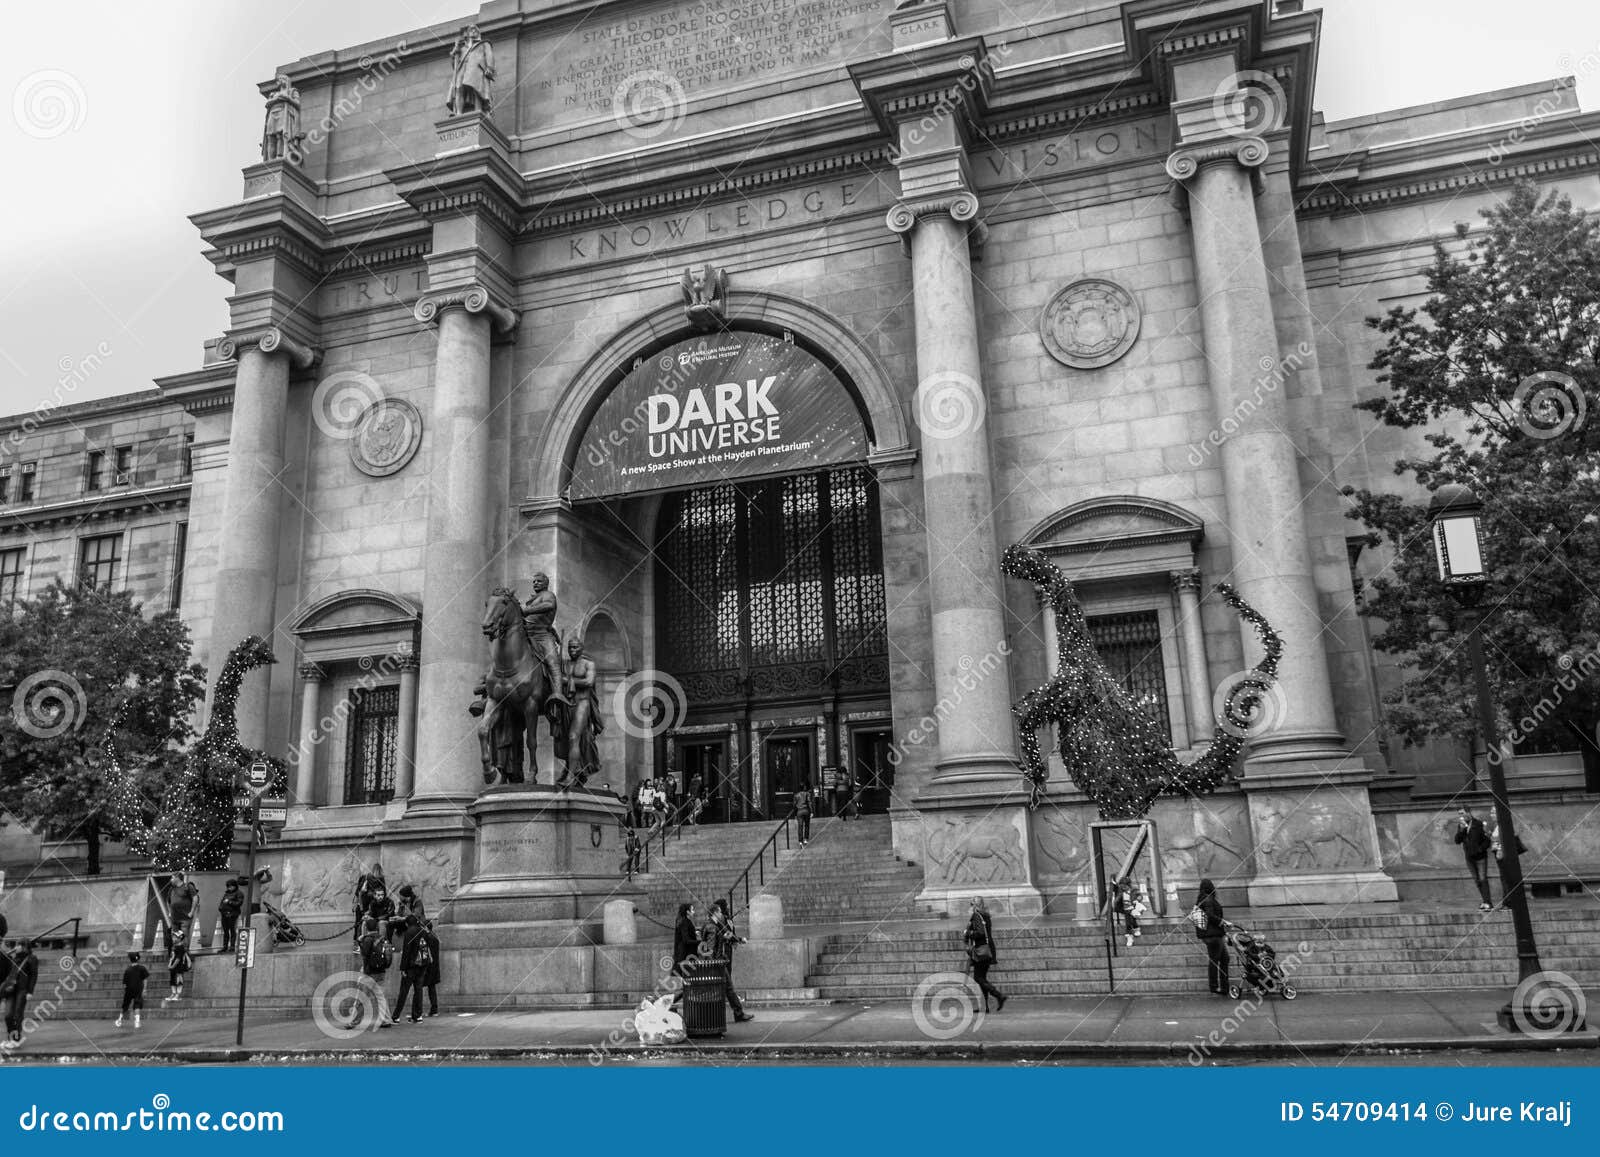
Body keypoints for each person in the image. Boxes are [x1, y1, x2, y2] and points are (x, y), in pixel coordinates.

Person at [703, 899, 755, 1023]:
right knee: (727, 989)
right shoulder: (712, 927)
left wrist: (726, 938)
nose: (721, 914)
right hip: (717, 964)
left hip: (717, 962)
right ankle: (738, 1013)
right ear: (715, 913)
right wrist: (714, 964)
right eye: (719, 912)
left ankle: (737, 1013)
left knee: (726, 989)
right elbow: (710, 948)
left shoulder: (712, 925)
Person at [963, 897, 1005, 1012]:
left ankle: (998, 995)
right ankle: (985, 1007)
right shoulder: (985, 916)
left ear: (976, 905)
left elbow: (980, 933)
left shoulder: (977, 916)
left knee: (978, 977)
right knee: (982, 978)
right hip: (988, 950)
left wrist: (968, 932)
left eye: (971, 905)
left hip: (981, 951)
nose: (970, 907)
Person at [357, 915, 395, 1028]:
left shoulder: (367, 940)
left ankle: (354, 1020)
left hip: (369, 973)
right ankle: (386, 1019)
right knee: (381, 998)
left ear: (367, 928)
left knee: (361, 998)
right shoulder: (382, 938)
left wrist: (360, 941)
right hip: (381, 972)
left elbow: (364, 955)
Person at [1454, 806, 1495, 910]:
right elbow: (1457, 841)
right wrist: (1462, 830)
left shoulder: (1478, 824)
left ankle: (1488, 903)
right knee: (1477, 880)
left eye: (1462, 813)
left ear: (1468, 812)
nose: (1461, 816)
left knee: (1482, 879)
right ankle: (1485, 901)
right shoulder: (1461, 826)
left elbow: (1487, 840)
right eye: (1459, 814)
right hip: (1469, 858)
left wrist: (1480, 849)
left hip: (1480, 857)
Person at [1192, 878, 1228, 996]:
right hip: (1213, 935)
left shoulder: (1203, 899)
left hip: (1211, 935)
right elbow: (1210, 915)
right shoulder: (1208, 899)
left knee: (1224, 959)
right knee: (1216, 960)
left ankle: (1223, 986)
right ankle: (1215, 986)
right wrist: (1222, 922)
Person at [1, 940, 39, 1043]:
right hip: (10, 990)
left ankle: (15, 1038)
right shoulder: (12, 958)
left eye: (18, 945)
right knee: (8, 1015)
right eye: (16, 945)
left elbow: (33, 976)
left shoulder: (31, 958)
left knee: (18, 1014)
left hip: (22, 990)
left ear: (24, 946)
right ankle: (11, 1035)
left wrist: (30, 991)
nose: (16, 947)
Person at [395, 916, 430, 1024]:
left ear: (407, 924)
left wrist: (403, 968)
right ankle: (417, 1015)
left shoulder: (409, 932)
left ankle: (396, 1016)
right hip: (422, 964)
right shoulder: (423, 931)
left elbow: (406, 952)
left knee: (404, 991)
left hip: (411, 966)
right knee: (418, 990)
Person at [1491, 820, 1529, 910]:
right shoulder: (1496, 826)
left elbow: (1508, 840)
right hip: (1499, 856)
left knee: (1507, 879)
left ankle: (1509, 902)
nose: (1491, 814)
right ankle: (1506, 902)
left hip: (1505, 856)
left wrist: (1499, 847)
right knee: (1503, 878)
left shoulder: (1504, 826)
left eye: (1493, 812)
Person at [670, 902, 700, 1007]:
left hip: (686, 955)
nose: (694, 911)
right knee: (688, 983)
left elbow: (685, 935)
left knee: (688, 983)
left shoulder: (684, 921)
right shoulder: (684, 922)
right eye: (692, 910)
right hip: (686, 956)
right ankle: (669, 1002)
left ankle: (673, 1002)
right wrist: (700, 941)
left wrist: (694, 933)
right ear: (687, 912)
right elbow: (686, 940)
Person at [353, 863, 385, 948]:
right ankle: (369, 944)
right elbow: (384, 892)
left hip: (366, 905)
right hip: (369, 905)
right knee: (366, 923)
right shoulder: (378, 879)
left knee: (361, 924)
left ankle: (359, 944)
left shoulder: (366, 877)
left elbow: (358, 892)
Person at [166, 872, 199, 948]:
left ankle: (184, 953)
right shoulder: (172, 889)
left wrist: (191, 912)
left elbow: (195, 898)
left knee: (184, 935)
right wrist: (169, 912)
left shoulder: (188, 887)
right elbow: (168, 901)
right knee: (175, 937)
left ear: (177, 878)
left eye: (172, 878)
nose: (171, 879)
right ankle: (177, 954)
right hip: (174, 918)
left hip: (185, 917)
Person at [117, 952, 149, 1029]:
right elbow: (145, 979)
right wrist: (144, 989)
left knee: (125, 1005)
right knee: (137, 1005)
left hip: (129, 990)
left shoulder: (127, 970)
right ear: (138, 959)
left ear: (130, 960)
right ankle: (137, 1022)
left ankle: (119, 1020)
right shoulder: (142, 968)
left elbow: (124, 983)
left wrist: (125, 990)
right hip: (138, 989)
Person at [161, 935, 190, 1005]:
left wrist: (173, 966)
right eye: (173, 937)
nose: (173, 939)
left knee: (179, 980)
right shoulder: (174, 946)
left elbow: (178, 958)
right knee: (172, 980)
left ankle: (177, 994)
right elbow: (172, 957)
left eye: (175, 937)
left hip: (179, 967)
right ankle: (173, 994)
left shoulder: (181, 947)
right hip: (173, 967)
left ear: (179, 938)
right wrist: (170, 964)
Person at [421, 920, 442, 1017]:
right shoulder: (434, 937)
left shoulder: (427, 937)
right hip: (434, 966)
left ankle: (419, 1010)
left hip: (428, 966)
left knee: (420, 987)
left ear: (425, 928)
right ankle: (434, 1009)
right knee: (431, 988)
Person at [218, 879, 244, 952]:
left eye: (231, 886)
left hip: (233, 914)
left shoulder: (239, 893)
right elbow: (222, 902)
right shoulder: (226, 893)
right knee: (225, 931)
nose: (229, 888)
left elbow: (238, 903)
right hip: (224, 914)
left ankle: (232, 946)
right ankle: (225, 946)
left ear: (235, 886)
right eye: (228, 887)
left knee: (232, 930)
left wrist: (229, 902)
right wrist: (220, 908)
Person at [794, 782, 813, 847]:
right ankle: (806, 839)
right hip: (806, 810)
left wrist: (795, 814)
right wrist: (812, 811)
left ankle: (800, 841)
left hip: (799, 811)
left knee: (800, 826)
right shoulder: (807, 794)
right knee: (807, 825)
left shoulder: (796, 795)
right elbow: (809, 803)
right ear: (804, 787)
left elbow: (794, 805)